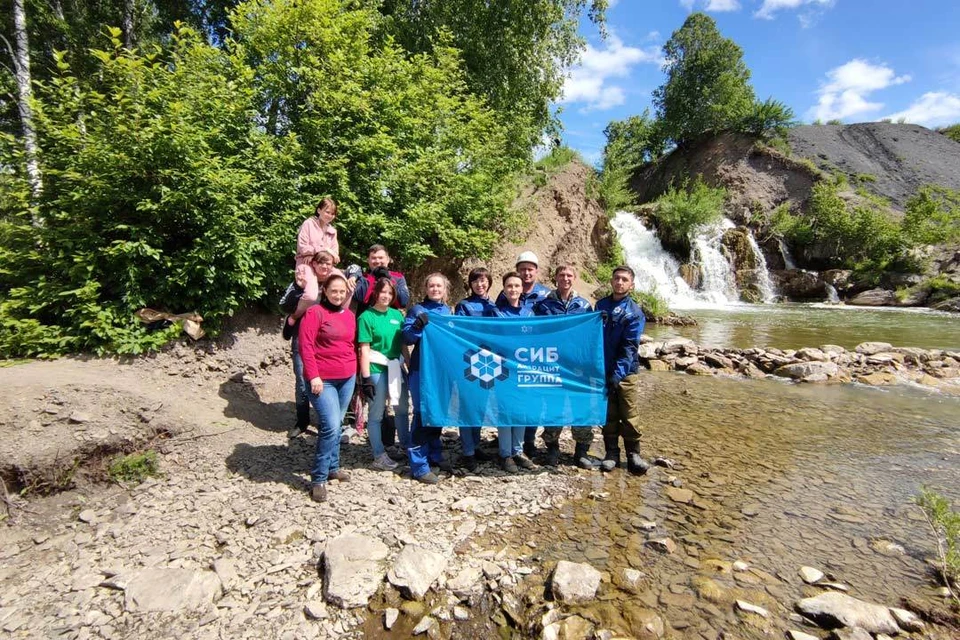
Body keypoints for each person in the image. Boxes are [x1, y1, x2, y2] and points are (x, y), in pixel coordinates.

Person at [532, 264, 598, 469]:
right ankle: (552, 447)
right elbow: (536, 335)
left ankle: (581, 451)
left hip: (578, 368)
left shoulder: (585, 306)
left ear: (575, 278)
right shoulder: (543, 306)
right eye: (562, 275)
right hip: (553, 366)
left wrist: (600, 323)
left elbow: (591, 338)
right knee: (553, 408)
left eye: (569, 275)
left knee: (581, 407)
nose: (565, 278)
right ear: (555, 278)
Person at [298, 273, 357, 503]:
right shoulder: (314, 313)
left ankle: (333, 467)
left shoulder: (350, 316)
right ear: (325, 291)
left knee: (338, 422)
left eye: (342, 292)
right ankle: (319, 478)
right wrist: (313, 376)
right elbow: (306, 347)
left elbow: (351, 345)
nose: (338, 295)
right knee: (331, 425)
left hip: (347, 376)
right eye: (334, 291)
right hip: (322, 379)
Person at [279, 250, 346, 439]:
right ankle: (302, 421)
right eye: (321, 263)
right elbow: (283, 303)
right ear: (313, 264)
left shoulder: (335, 283)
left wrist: (355, 274)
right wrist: (297, 289)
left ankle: (326, 419)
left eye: (329, 264)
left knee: (326, 380)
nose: (325, 267)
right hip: (303, 336)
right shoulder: (303, 280)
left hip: (326, 341)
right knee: (302, 380)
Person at [594, 265, 651, 476]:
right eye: (616, 278)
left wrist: (617, 375)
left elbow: (629, 348)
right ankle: (611, 453)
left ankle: (633, 454)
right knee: (608, 414)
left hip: (626, 372)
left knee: (629, 414)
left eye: (624, 280)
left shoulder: (634, 313)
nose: (619, 282)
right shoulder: (601, 305)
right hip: (602, 369)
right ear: (611, 281)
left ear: (631, 285)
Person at [495, 251, 549, 457]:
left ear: (536, 271)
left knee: (525, 407)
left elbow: (546, 329)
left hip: (528, 364)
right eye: (522, 269)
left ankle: (523, 447)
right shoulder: (499, 307)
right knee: (506, 409)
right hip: (505, 366)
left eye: (530, 269)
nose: (526, 273)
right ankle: (505, 452)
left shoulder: (542, 299)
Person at [402, 273, 454, 484]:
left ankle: (434, 453)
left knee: (438, 412)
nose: (435, 289)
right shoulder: (417, 310)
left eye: (438, 286)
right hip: (422, 370)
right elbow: (405, 338)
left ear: (445, 290)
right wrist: (416, 326)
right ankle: (419, 465)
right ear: (425, 288)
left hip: (442, 371)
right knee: (423, 414)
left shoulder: (449, 312)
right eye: (431, 286)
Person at [357, 278, 409, 471]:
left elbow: (403, 344)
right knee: (377, 412)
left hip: (396, 367)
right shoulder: (366, 317)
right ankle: (378, 454)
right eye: (382, 292)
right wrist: (365, 377)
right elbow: (364, 348)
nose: (386, 296)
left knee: (402, 408)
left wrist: (409, 364)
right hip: (377, 368)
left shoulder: (397, 315)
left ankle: (406, 446)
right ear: (375, 294)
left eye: (389, 293)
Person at [491, 272, 536, 473]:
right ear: (504, 288)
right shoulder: (496, 313)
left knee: (521, 412)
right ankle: (505, 454)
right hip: (502, 370)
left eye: (517, 286)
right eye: (509, 286)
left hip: (523, 369)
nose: (513, 289)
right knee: (504, 412)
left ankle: (517, 451)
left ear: (521, 289)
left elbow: (534, 342)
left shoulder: (529, 314)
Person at [453, 267, 497, 471]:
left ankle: (477, 444)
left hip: (489, 362)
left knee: (480, 406)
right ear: (470, 284)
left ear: (489, 282)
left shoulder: (495, 305)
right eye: (476, 281)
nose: (480, 284)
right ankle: (468, 451)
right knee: (466, 406)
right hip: (469, 361)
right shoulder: (464, 305)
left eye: (483, 281)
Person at [293, 198, 340, 318]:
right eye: (327, 211)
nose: (329, 215)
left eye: (332, 213)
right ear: (319, 210)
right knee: (311, 295)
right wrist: (324, 250)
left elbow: (335, 255)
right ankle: (295, 317)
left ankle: (338, 317)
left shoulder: (332, 231)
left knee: (345, 285)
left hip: (326, 266)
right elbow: (303, 247)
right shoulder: (308, 224)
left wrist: (322, 252)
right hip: (307, 262)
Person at [350, 244, 410, 314]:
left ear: (388, 259)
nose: (377, 261)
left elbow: (403, 302)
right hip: (366, 320)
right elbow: (360, 298)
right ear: (368, 260)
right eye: (373, 258)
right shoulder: (363, 277)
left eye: (381, 258)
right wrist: (373, 277)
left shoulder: (398, 277)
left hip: (390, 319)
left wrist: (389, 279)